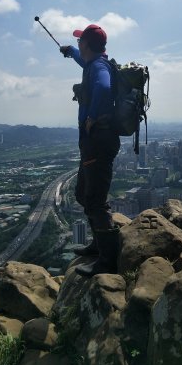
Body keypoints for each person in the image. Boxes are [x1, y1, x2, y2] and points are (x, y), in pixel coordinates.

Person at [60, 24, 121, 277]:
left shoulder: (97, 67)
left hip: (98, 140)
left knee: (94, 200)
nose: (79, 44)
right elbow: (84, 61)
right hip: (93, 142)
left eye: (80, 42)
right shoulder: (94, 63)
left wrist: (92, 116)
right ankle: (99, 245)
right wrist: (70, 51)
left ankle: (107, 260)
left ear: (87, 44)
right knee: (83, 194)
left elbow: (104, 87)